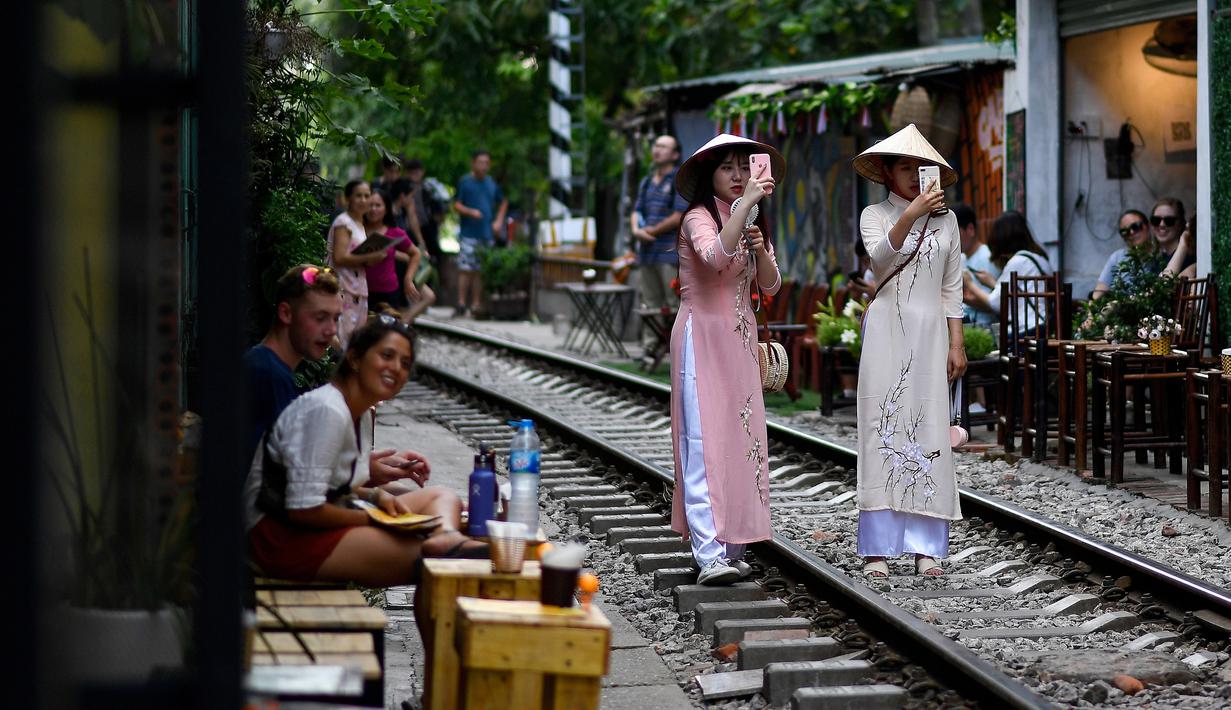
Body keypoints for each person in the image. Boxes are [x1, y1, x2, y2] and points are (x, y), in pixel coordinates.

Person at [244, 316, 486, 589]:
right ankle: (444, 546)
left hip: (307, 521)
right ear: (355, 359)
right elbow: (304, 509)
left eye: (404, 363)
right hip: (279, 537)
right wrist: (372, 519)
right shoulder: (328, 411)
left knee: (443, 497)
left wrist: (375, 495)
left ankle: (447, 536)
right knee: (434, 564)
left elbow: (324, 482)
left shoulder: (355, 411)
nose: (396, 368)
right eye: (386, 355)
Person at [851, 123, 965, 578]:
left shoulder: (949, 221)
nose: (917, 174)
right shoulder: (873, 214)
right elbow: (879, 258)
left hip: (930, 332)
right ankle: (878, 549)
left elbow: (951, 286)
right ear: (885, 172)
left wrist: (957, 341)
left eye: (924, 167)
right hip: (885, 331)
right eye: (906, 167)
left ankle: (926, 549)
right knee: (882, 427)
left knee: (928, 430)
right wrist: (912, 212)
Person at [669, 134, 783, 586]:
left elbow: (771, 286)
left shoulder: (752, 219)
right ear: (709, 177)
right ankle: (708, 551)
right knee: (702, 442)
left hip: (739, 342)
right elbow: (715, 257)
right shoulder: (697, 217)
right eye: (727, 169)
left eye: (743, 167)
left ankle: (731, 546)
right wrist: (742, 213)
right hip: (701, 338)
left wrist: (758, 247)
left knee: (740, 440)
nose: (738, 176)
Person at [243, 264, 343, 457]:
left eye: (336, 319)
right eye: (320, 318)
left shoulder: (267, 366)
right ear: (286, 313)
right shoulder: (268, 375)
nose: (332, 330)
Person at [631, 135, 688, 367]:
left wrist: (651, 231)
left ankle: (678, 352)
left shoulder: (677, 179)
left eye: (664, 147)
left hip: (667, 252)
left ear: (675, 154)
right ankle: (649, 350)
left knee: (672, 305)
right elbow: (636, 210)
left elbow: (678, 216)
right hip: (646, 253)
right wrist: (636, 230)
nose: (657, 150)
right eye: (656, 145)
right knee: (650, 303)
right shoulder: (646, 181)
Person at [962, 211, 1055, 332]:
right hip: (1043, 326)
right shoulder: (1039, 258)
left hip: (1028, 330)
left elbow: (996, 303)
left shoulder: (1017, 262)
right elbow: (1019, 292)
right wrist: (991, 282)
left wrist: (970, 283)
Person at [327, 180, 386, 348]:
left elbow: (354, 257)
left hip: (357, 287)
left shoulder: (360, 224)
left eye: (367, 196)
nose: (363, 200)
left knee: (354, 339)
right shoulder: (343, 223)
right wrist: (369, 256)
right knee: (343, 338)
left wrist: (371, 259)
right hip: (343, 288)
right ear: (348, 199)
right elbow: (340, 257)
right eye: (358, 195)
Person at [453, 150, 508, 317]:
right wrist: (470, 212)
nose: (484, 166)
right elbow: (456, 205)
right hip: (469, 233)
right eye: (481, 162)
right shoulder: (465, 182)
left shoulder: (491, 183)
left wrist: (498, 221)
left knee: (480, 270)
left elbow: (503, 201)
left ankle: (476, 304)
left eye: (486, 163)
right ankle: (461, 303)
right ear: (473, 163)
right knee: (465, 268)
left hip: (486, 233)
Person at [364, 188, 414, 314]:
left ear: (386, 209)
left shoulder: (395, 232)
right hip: (360, 290)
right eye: (370, 205)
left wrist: (408, 279)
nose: (373, 209)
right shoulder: (356, 229)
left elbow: (416, 253)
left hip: (388, 293)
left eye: (378, 205)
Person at [951, 203, 998, 325]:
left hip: (984, 329)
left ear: (970, 229)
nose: (951, 238)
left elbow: (995, 304)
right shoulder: (960, 258)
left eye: (955, 232)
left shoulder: (988, 257)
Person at [1092, 209, 1154, 299]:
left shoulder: (1160, 257)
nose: (1131, 233)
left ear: (1148, 226)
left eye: (1136, 227)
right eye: (1125, 231)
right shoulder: (1118, 257)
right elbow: (1098, 293)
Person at [1161, 214, 1198, 280]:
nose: (1162, 224)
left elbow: (1162, 286)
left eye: (1169, 221)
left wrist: (1183, 245)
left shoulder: (1194, 269)